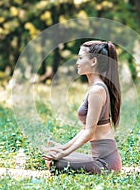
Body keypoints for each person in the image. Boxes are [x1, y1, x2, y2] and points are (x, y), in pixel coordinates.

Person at [42, 40, 122, 174]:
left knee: (56, 163)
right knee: (51, 157)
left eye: (80, 58)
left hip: (105, 164)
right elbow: (86, 129)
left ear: (93, 61)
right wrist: (62, 149)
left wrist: (63, 153)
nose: (77, 62)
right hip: (99, 159)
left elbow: (89, 133)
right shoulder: (96, 88)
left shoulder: (97, 91)